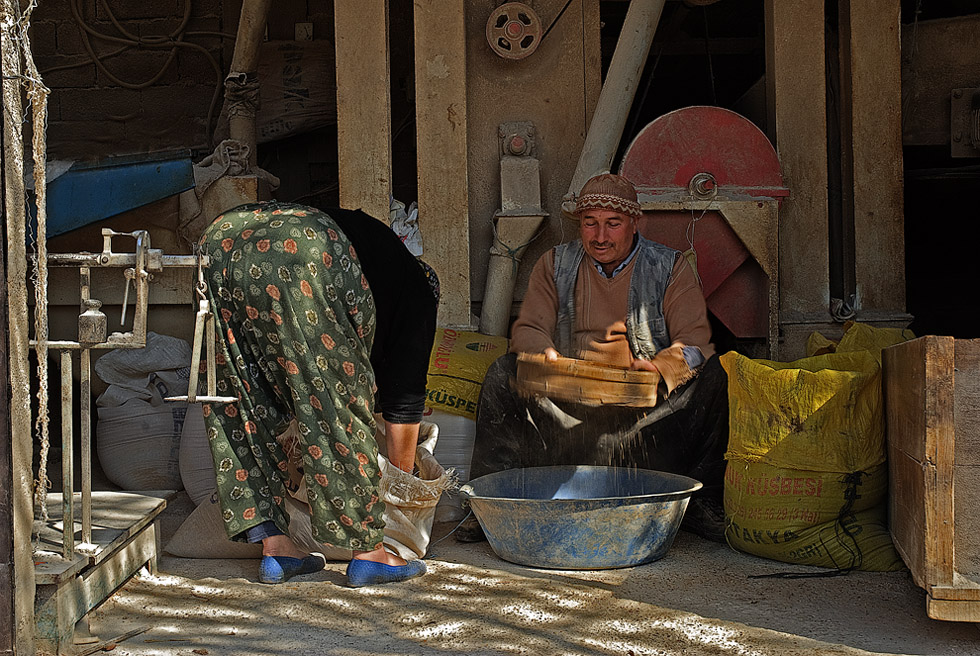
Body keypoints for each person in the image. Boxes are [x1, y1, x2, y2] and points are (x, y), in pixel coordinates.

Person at [459, 173, 729, 543]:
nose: (600, 236)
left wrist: (659, 369)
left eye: (612, 224)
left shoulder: (669, 267)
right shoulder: (555, 263)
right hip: (572, 413)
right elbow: (528, 329)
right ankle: (488, 504)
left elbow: (694, 342)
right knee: (503, 373)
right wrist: (545, 355)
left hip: (644, 416)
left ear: (635, 224)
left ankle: (703, 502)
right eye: (590, 223)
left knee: (713, 373)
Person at [200, 200, 438, 587]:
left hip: (222, 239)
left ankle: (276, 548)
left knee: (239, 393)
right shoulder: (419, 296)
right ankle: (369, 554)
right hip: (302, 249)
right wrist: (402, 488)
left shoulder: (381, 264)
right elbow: (403, 406)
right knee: (330, 398)